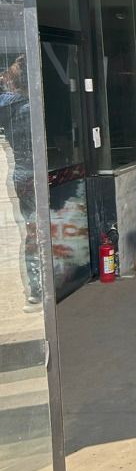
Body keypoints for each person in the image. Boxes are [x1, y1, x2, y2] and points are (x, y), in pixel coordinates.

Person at [0, 54, 42, 310]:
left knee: (32, 230)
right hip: (36, 173)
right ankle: (44, 284)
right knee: (43, 229)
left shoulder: (7, 107)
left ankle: (36, 288)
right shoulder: (29, 108)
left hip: (21, 174)